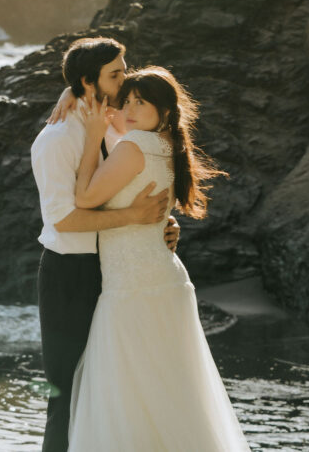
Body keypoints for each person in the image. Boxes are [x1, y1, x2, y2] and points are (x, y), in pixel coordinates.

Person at [67, 66, 249, 451]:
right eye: (127, 100)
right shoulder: (168, 146)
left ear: (163, 110)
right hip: (161, 280)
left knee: (129, 395)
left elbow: (84, 199)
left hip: (134, 286)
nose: (129, 109)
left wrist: (93, 140)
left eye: (141, 102)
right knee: (172, 394)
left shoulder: (133, 146)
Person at [30, 37, 180, 452]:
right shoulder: (58, 139)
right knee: (66, 395)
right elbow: (64, 219)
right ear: (88, 80)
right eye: (116, 74)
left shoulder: (119, 126)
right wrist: (133, 218)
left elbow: (135, 180)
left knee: (117, 392)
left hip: (119, 274)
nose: (126, 79)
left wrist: (160, 225)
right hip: (72, 274)